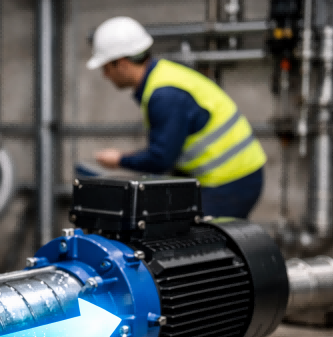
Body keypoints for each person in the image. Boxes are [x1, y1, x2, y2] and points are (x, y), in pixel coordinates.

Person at [88, 16, 266, 219]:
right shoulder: (163, 75)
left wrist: (119, 159)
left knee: (189, 240)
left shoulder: (164, 95)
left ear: (121, 63)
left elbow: (161, 159)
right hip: (232, 176)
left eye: (106, 67)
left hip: (231, 182)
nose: (105, 75)